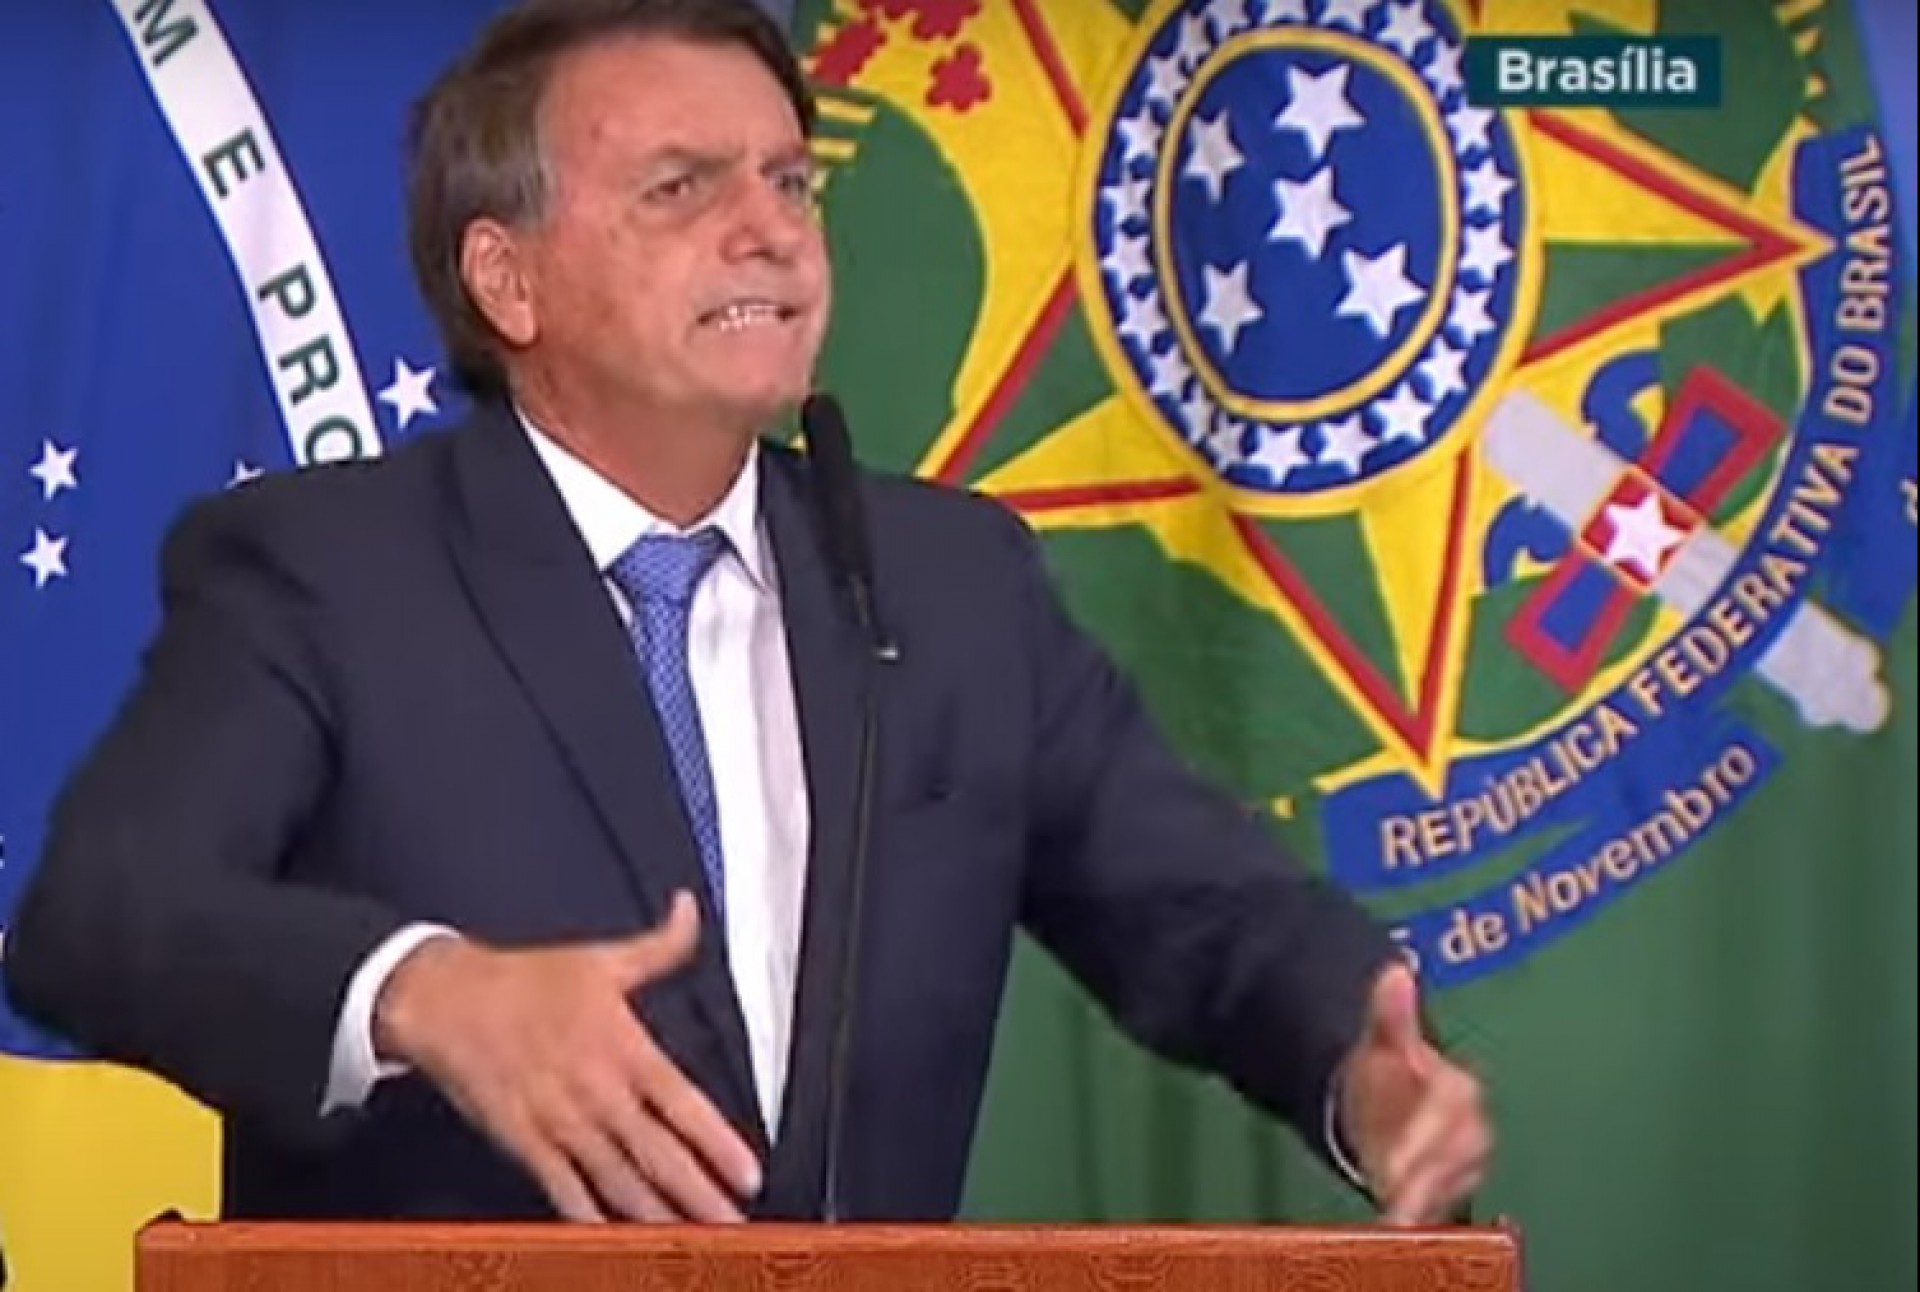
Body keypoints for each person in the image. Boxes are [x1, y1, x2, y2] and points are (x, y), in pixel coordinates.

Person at [2, 0, 1489, 1226]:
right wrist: (421, 994)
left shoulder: (948, 584)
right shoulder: (328, 569)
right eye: (683, 187)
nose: (770, 229)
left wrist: (1355, 1062)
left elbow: (1199, 906)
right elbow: (96, 920)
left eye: (788, 180)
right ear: (507, 279)